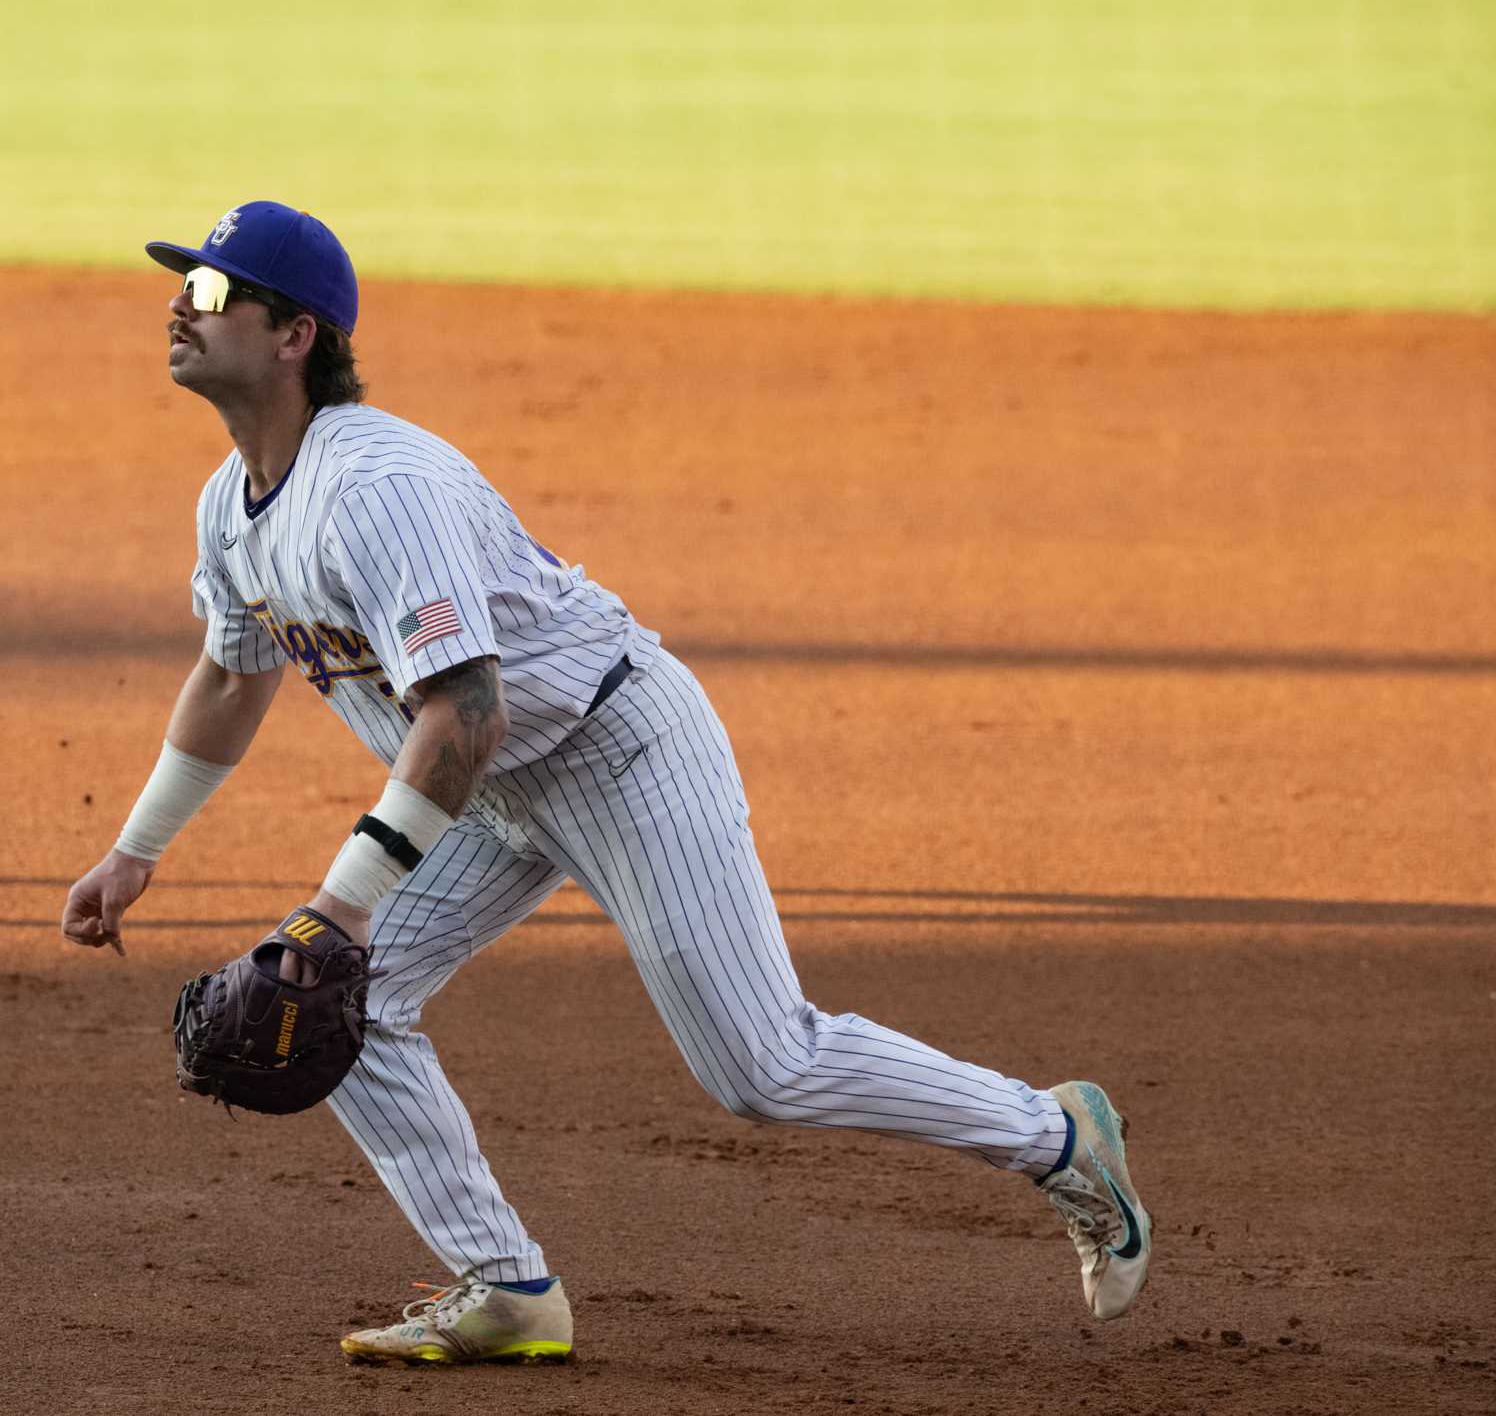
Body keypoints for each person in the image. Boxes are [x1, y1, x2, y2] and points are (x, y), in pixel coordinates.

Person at [60, 200, 1152, 1364]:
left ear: (296, 336)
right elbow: (233, 679)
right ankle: (505, 1288)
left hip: (615, 748)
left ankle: (1054, 1136)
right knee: (354, 1005)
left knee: (759, 1067)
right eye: (184, 285)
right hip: (480, 789)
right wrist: (136, 851)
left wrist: (343, 900)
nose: (182, 305)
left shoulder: (374, 487)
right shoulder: (229, 508)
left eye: (218, 292)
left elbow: (465, 708)